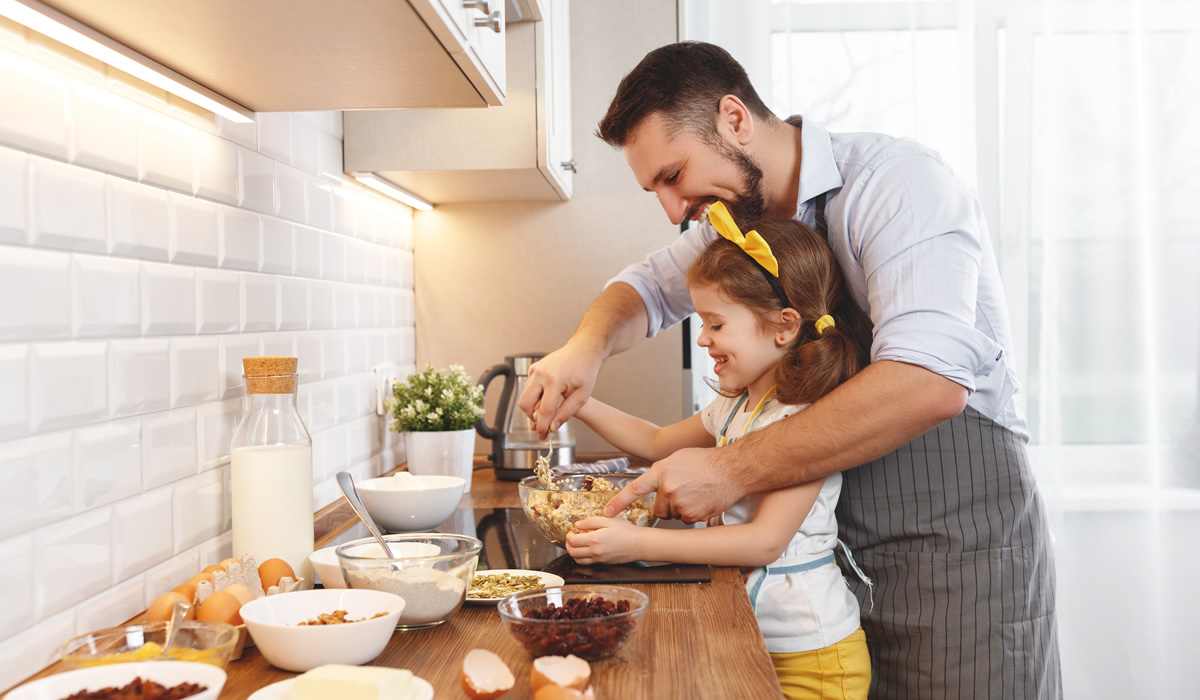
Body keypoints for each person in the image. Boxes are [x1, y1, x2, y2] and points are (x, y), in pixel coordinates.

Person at [517, 42, 1061, 699]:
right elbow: (645, 289)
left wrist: (728, 468)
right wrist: (586, 348)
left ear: (734, 119)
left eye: (673, 174)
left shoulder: (897, 183)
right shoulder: (742, 224)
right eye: (655, 188)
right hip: (844, 555)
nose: (671, 208)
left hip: (955, 534)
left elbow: (928, 380)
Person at [567, 203, 873, 699]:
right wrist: (581, 401)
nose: (704, 338)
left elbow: (763, 542)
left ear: (784, 325)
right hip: (754, 636)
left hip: (813, 659)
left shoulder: (802, 419)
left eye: (716, 324)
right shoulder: (735, 405)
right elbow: (656, 442)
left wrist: (636, 544)